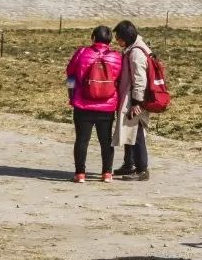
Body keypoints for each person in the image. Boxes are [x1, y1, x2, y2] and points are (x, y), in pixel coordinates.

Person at [65, 25, 123, 183]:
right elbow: (119, 77)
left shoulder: (83, 52)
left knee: (82, 140)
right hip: (107, 105)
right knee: (106, 141)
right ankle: (107, 173)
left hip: (83, 103)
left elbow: (70, 71)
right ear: (110, 41)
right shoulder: (117, 56)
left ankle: (80, 174)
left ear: (93, 38)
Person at [112, 20, 152, 181]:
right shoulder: (134, 48)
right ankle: (128, 164)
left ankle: (142, 168)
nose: (116, 40)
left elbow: (140, 79)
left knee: (137, 132)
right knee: (129, 129)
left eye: (118, 37)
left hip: (135, 98)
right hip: (131, 96)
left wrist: (137, 102)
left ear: (125, 38)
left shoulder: (136, 54)